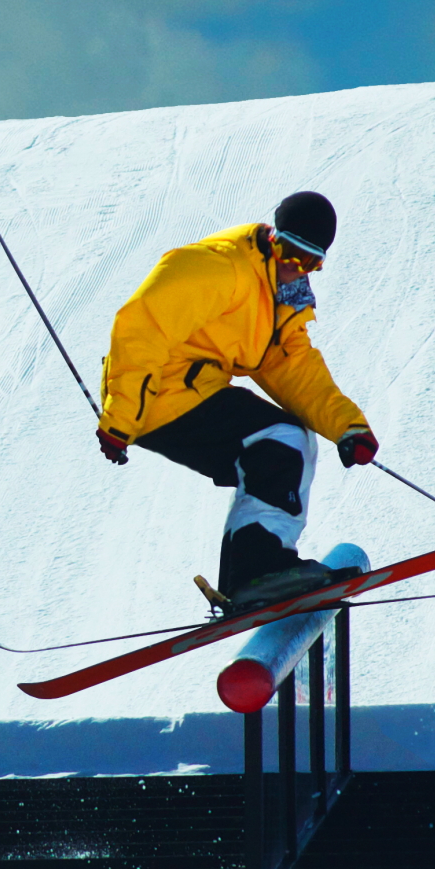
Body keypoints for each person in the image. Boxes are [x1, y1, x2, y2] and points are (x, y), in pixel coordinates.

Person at [95, 192, 381, 613]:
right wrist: (120, 420)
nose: (293, 268)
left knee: (285, 448)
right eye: (289, 253)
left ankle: (253, 574)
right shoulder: (221, 268)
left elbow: (291, 367)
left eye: (309, 263)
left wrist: (348, 427)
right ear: (272, 239)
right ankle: (254, 573)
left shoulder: (284, 297)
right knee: (279, 440)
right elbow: (142, 327)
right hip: (159, 394)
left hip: (192, 389)